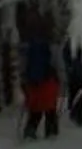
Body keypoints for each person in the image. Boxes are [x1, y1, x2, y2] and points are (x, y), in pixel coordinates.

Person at [19, 10, 61, 140]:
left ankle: (30, 131)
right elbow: (56, 61)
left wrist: (24, 78)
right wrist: (60, 77)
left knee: (35, 108)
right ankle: (51, 132)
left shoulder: (28, 42)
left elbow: (23, 63)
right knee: (50, 108)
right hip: (48, 80)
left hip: (33, 81)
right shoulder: (50, 42)